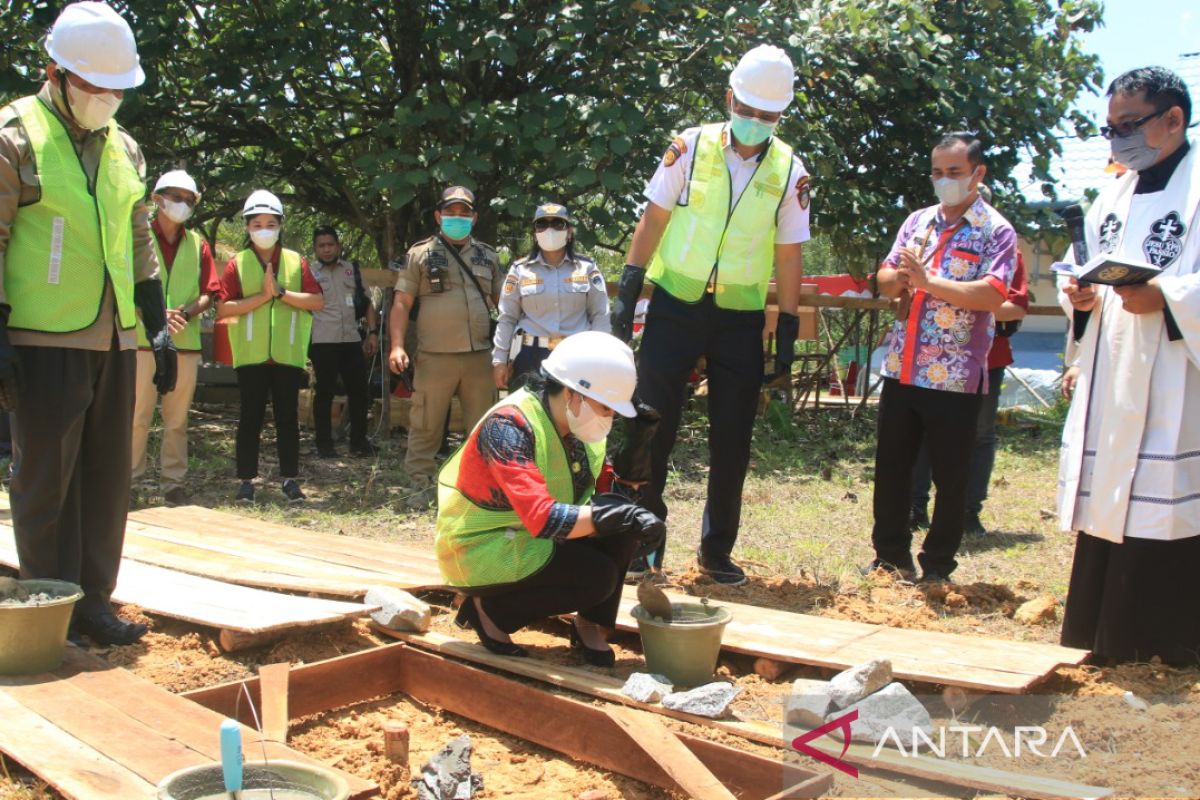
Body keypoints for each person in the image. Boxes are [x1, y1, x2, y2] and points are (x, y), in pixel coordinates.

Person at [0, 2, 179, 645]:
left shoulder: (123, 146)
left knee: (106, 475)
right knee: (46, 477)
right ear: (55, 71)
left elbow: (137, 237)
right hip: (40, 335)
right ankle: (49, 604)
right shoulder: (13, 135)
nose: (106, 97)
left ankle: (94, 602)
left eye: (116, 88)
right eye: (94, 85)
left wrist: (154, 321)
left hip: (113, 334)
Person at [608, 44, 811, 585]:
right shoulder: (689, 147)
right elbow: (653, 219)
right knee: (652, 426)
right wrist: (629, 289)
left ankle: (716, 551)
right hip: (676, 303)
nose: (755, 123)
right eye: (747, 110)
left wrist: (786, 328)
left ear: (781, 115)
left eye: (768, 116)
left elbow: (789, 253)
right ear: (729, 98)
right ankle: (643, 543)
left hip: (740, 316)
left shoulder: (791, 170)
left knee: (733, 435)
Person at [1057, 67, 1200, 666]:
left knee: (1161, 499)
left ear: (1174, 118)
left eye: (1129, 126)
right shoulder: (1113, 192)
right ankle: (1098, 632)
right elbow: (1078, 264)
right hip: (1112, 364)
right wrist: (1079, 298)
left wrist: (1168, 298)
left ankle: (1162, 641)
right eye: (1110, 128)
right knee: (1111, 499)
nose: (1118, 140)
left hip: (1174, 372)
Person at [436, 331, 664, 664]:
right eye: (606, 408)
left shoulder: (578, 427)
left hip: (528, 537)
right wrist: (619, 516)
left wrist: (638, 445)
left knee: (622, 524)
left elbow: (611, 497)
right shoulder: (508, 427)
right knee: (596, 577)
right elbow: (543, 518)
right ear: (574, 394)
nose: (609, 419)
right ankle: (491, 611)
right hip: (481, 548)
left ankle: (590, 624)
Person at [868, 132, 1016, 584]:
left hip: (955, 375)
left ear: (977, 174)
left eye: (954, 172)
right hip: (903, 367)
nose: (944, 181)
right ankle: (890, 557)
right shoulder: (918, 222)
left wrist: (930, 282)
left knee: (950, 477)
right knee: (892, 469)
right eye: (937, 172)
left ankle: (937, 566)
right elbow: (886, 277)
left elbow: (993, 293)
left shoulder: (996, 230)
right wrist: (898, 279)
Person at [910, 186, 1029, 537]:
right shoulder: (930, 237)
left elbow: (1014, 304)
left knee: (978, 436)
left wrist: (966, 300)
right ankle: (915, 506)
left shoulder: (1006, 246)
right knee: (922, 433)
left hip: (984, 360)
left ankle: (967, 512)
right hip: (931, 356)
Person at [388, 186, 502, 503]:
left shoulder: (488, 256)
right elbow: (401, 303)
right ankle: (419, 485)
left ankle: (477, 491)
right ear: (438, 216)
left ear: (474, 217)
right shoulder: (420, 254)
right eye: (450, 212)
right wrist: (397, 346)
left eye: (464, 213)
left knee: (482, 427)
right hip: (434, 356)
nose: (457, 218)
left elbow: (504, 304)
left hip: (480, 357)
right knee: (425, 423)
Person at [217, 190, 323, 504]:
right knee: (250, 418)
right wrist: (262, 298)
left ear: (280, 226)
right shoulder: (238, 263)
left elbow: (317, 301)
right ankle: (246, 482)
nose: (264, 229)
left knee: (288, 419)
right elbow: (224, 308)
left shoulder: (295, 261)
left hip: (287, 355)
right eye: (257, 223)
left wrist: (280, 292)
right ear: (248, 227)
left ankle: (289, 480)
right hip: (250, 355)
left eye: (270, 223)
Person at [131, 170, 221, 506]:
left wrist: (183, 313)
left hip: (184, 342)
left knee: (177, 419)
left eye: (189, 200)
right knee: (136, 417)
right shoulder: (138, 236)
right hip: (142, 340)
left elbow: (209, 293)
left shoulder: (198, 243)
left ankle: (173, 485)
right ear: (157, 198)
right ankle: (130, 483)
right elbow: (124, 284)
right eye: (176, 197)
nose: (182, 204)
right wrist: (154, 314)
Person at [492, 202, 610, 389]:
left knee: (572, 414)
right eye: (542, 224)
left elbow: (600, 315)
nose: (550, 229)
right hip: (530, 355)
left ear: (569, 232)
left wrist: (601, 357)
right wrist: (499, 360)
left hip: (576, 354)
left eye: (558, 224)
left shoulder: (587, 268)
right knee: (531, 413)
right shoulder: (520, 270)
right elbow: (507, 318)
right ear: (535, 233)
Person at [309, 224, 378, 458]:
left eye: (330, 244)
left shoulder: (352, 271)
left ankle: (358, 442)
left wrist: (373, 333)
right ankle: (324, 444)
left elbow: (368, 304)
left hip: (351, 339)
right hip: (322, 341)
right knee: (324, 393)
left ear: (338, 246)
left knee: (359, 392)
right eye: (322, 246)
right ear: (315, 249)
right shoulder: (308, 273)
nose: (327, 249)